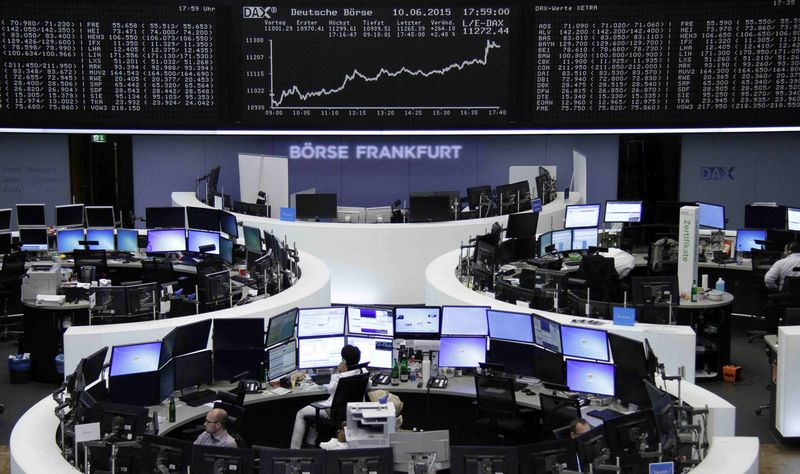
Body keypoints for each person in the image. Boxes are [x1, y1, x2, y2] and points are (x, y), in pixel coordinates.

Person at [290, 344, 364, 449]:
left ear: (344, 360)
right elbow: (369, 384)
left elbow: (330, 389)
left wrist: (337, 373)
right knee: (315, 409)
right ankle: (310, 442)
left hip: (332, 411)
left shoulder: (341, 377)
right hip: (350, 411)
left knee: (300, 414)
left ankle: (294, 450)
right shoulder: (362, 372)